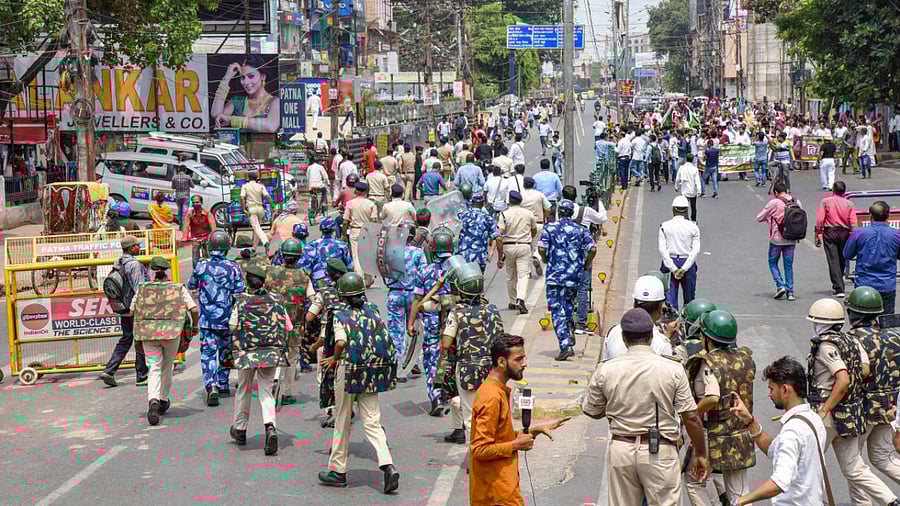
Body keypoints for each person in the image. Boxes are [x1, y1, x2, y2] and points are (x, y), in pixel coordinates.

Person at [583, 308, 710, 505]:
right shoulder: (672, 369)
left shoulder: (606, 370)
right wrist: (701, 453)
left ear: (624, 339)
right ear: (652, 336)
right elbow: (691, 417)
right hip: (660, 450)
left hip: (622, 449)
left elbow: (591, 409)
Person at [807, 297, 900, 505]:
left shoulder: (843, 341)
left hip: (856, 408)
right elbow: (865, 369)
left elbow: (847, 377)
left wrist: (830, 403)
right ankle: (890, 500)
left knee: (818, 461)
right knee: (876, 459)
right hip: (888, 406)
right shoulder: (892, 336)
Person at [318, 273, 400, 494]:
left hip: (349, 370)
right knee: (372, 421)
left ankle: (338, 471)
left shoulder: (339, 314)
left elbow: (341, 341)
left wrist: (334, 358)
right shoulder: (373, 309)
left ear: (343, 295)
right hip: (371, 371)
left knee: (342, 419)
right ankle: (387, 464)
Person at [470, 334, 568, 506]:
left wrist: (533, 431)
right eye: (519, 359)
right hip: (496, 495)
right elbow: (479, 450)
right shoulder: (491, 397)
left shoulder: (498, 391)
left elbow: (500, 437)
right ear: (501, 362)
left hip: (503, 490)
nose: (525, 364)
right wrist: (516, 445)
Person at [728, 357, 826, 505]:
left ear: (786, 390)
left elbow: (780, 482)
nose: (769, 394)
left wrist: (741, 500)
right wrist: (749, 421)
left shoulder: (792, 431)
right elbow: (774, 449)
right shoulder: (814, 419)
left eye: (771, 389)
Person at [685, 310, 756, 503]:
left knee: (694, 481)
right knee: (739, 491)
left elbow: (713, 396)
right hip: (740, 432)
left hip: (714, 433)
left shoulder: (708, 362)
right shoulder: (744, 357)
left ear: (707, 338)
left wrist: (693, 413)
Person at [228, 264, 291, 456]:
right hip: (270, 353)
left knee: (244, 389)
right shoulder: (277, 300)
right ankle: (270, 426)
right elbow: (287, 327)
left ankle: (240, 429)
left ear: (248, 280)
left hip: (247, 353)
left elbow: (232, 326)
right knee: (266, 391)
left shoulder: (241, 301)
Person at [440, 263, 505, 445]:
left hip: (467, 369)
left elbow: (445, 343)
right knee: (493, 412)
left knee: (470, 417)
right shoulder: (492, 310)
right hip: (492, 369)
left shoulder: (457, 312)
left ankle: (476, 458)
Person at [844, 286, 900, 486]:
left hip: (863, 409)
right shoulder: (894, 337)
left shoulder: (852, 340)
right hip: (889, 406)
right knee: (882, 456)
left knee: (854, 463)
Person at [132, 256, 197, 425]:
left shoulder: (143, 289)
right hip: (171, 334)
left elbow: (133, 308)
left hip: (148, 334)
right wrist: (194, 326)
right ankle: (162, 399)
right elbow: (194, 309)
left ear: (151, 271)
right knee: (167, 367)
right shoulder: (177, 288)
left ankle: (153, 399)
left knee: (153, 366)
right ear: (167, 270)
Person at [187, 230, 246, 406]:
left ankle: (211, 385)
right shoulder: (234, 267)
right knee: (226, 353)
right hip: (228, 320)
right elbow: (240, 291)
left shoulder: (201, 266)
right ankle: (223, 383)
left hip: (207, 320)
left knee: (208, 354)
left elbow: (191, 285)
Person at [539, 199, 597, 361]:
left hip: (555, 276)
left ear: (559, 212)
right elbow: (592, 248)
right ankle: (569, 326)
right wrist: (586, 264)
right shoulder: (581, 229)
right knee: (569, 305)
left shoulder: (549, 228)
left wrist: (546, 259)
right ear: (571, 213)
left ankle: (565, 345)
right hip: (574, 275)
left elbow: (542, 248)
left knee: (557, 310)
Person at [408, 230, 455, 415]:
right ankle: (447, 394)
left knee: (431, 359)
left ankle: (435, 396)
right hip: (453, 321)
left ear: (433, 251)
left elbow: (416, 300)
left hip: (431, 322)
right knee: (451, 357)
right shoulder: (457, 270)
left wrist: (411, 323)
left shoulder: (425, 272)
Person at [264, 239, 312, 403]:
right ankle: (287, 393)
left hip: (273, 322)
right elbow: (313, 298)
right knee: (291, 357)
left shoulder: (270, 272)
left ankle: (270, 384)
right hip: (295, 325)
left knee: (274, 353)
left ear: (283, 255)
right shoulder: (304, 276)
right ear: (299, 257)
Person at [99, 236, 150, 388]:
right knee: (139, 340)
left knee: (127, 338)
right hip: (134, 308)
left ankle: (109, 370)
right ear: (132, 248)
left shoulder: (119, 262)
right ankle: (142, 375)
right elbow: (140, 288)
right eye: (136, 245)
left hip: (123, 307)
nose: (139, 248)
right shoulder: (134, 265)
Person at [384, 227, 426, 383]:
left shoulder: (390, 252)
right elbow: (423, 274)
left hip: (395, 293)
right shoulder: (418, 253)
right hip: (413, 296)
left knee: (396, 332)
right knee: (414, 329)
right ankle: (413, 362)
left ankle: (399, 368)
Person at [844, 200, 900, 314]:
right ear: (888, 215)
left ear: (870, 215)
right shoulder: (896, 234)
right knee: (886, 325)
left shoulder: (859, 233)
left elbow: (847, 254)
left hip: (864, 285)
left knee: (862, 322)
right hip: (887, 285)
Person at [602, 275, 674, 360]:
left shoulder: (612, 333)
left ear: (634, 304)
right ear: (660, 309)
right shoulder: (663, 344)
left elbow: (604, 365)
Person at [211, 55, 280, 133]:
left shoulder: (274, 102)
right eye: (243, 77)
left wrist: (231, 119)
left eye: (251, 76)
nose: (246, 82)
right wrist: (227, 78)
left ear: (263, 77)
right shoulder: (238, 101)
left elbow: (270, 127)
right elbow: (216, 115)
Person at [757, 182, 799, 301]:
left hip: (777, 239)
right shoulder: (795, 201)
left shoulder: (774, 202)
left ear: (775, 192)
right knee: (788, 265)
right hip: (792, 238)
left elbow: (759, 217)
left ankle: (780, 285)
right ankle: (790, 292)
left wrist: (770, 218)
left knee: (772, 262)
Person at [814, 181, 856, 297]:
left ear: (833, 190)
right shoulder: (849, 204)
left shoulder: (826, 202)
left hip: (830, 232)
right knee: (842, 258)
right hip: (844, 232)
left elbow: (820, 220)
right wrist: (853, 234)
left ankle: (838, 288)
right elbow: (853, 222)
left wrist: (818, 232)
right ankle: (839, 281)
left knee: (833, 260)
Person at [659, 195, 701, 310]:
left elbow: (662, 249)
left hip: (669, 263)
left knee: (669, 300)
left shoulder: (664, 226)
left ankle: (671, 324)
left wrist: (673, 268)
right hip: (687, 262)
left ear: (673, 209)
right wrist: (684, 268)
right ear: (687, 210)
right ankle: (688, 324)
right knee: (690, 300)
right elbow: (695, 250)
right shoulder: (693, 227)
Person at [498, 191, 536, 315]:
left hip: (508, 246)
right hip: (524, 245)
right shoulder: (528, 214)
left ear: (509, 200)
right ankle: (521, 299)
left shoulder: (504, 214)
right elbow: (533, 230)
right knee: (523, 275)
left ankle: (513, 301)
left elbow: (500, 233)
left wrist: (500, 256)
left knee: (510, 275)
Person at [342, 181, 378, 286]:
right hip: (367, 230)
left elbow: (345, 221)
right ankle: (368, 278)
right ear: (366, 191)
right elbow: (374, 220)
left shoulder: (350, 203)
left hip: (355, 230)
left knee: (356, 256)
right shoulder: (371, 204)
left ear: (356, 191)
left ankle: (360, 279)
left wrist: (344, 234)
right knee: (366, 255)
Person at [304, 217, 354, 288]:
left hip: (318, 284)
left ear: (320, 229)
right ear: (334, 228)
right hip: (338, 284)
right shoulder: (341, 245)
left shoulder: (312, 245)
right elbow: (350, 267)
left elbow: (307, 269)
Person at [458, 194, 501, 274]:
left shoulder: (462, 216)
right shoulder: (488, 218)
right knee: (478, 282)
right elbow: (498, 238)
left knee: (463, 281)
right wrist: (498, 256)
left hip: (463, 256)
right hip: (480, 257)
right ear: (483, 203)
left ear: (471, 203)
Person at [521, 177, 552, 276]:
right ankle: (536, 256)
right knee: (537, 245)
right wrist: (544, 217)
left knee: (526, 247)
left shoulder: (521, 195)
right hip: (538, 223)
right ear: (534, 185)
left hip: (524, 225)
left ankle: (528, 271)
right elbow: (548, 208)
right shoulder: (540, 195)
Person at [241, 171, 273, 249]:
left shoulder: (245, 186)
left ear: (248, 178)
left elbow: (242, 197)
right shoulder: (260, 186)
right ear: (256, 178)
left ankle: (265, 241)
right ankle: (254, 249)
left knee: (257, 228)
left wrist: (244, 209)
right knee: (257, 229)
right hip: (260, 209)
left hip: (252, 210)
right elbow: (268, 196)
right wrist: (273, 206)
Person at [675, 154, 702, 221]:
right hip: (692, 191)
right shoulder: (695, 169)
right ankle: (693, 220)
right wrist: (699, 190)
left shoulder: (682, 168)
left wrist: (676, 187)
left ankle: (685, 219)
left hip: (684, 191)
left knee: (684, 206)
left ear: (686, 159)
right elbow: (697, 181)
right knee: (693, 207)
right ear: (692, 160)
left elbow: (677, 179)